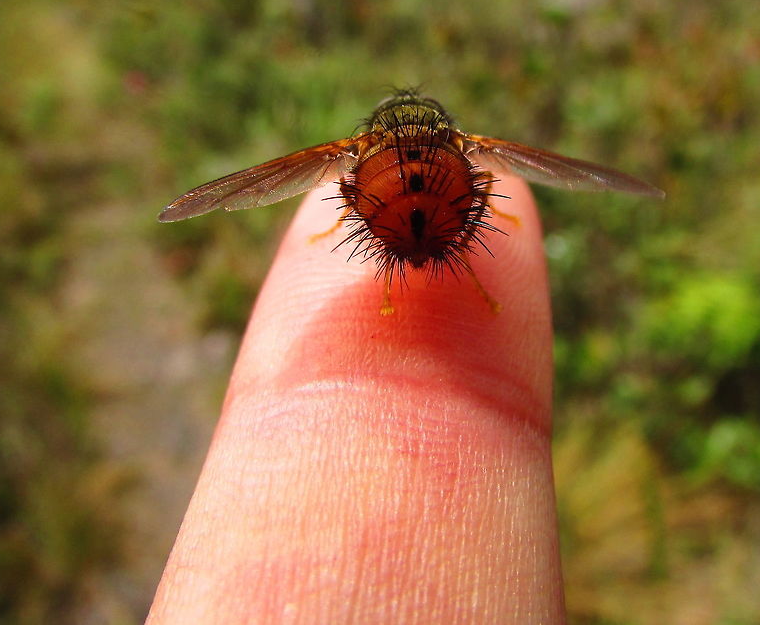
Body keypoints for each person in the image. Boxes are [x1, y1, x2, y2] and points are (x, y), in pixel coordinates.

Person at [146, 175, 566, 623]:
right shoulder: (467, 155)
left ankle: (393, 267)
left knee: (362, 185)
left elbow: (353, 190)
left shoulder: (357, 161)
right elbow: (477, 187)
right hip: (446, 222)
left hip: (394, 227)